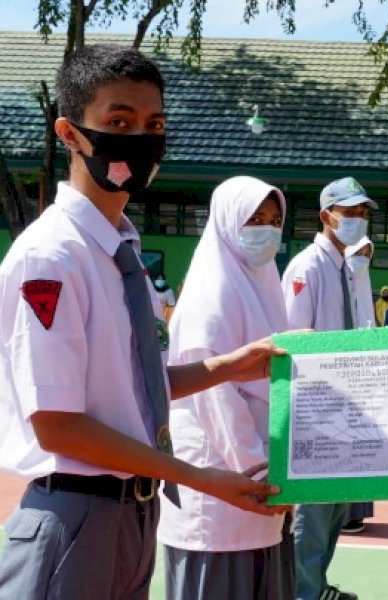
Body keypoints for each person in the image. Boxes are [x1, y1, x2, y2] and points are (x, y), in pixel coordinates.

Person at [0, 45, 281, 599]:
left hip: (131, 516)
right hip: (77, 515)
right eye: (118, 121)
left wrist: (229, 366)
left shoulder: (122, 251)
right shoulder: (53, 258)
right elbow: (59, 424)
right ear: (70, 133)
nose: (141, 138)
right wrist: (198, 478)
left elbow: (136, 389)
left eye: (154, 124)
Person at [157, 176, 294, 599]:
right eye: (255, 219)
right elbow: (216, 401)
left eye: (274, 220)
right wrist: (261, 476)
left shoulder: (263, 283)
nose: (267, 230)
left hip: (259, 489)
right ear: (227, 223)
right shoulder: (211, 294)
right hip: (224, 494)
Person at [282, 176, 377, 600]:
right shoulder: (307, 267)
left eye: (362, 213)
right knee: (314, 512)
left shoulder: (349, 267)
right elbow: (292, 338)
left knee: (337, 506)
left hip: (349, 405)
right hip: (316, 408)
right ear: (326, 216)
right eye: (349, 213)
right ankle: (302, 591)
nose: (357, 220)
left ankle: (316, 585)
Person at [342, 235, 376, 534]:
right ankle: (344, 513)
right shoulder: (340, 281)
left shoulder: (363, 285)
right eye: (359, 252)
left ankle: (356, 513)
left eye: (367, 252)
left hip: (366, 378)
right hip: (344, 379)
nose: (363, 257)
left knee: (363, 446)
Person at [344, 236, 376, 328]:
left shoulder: (365, 280)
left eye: (366, 255)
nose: (362, 259)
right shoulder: (336, 283)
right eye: (358, 253)